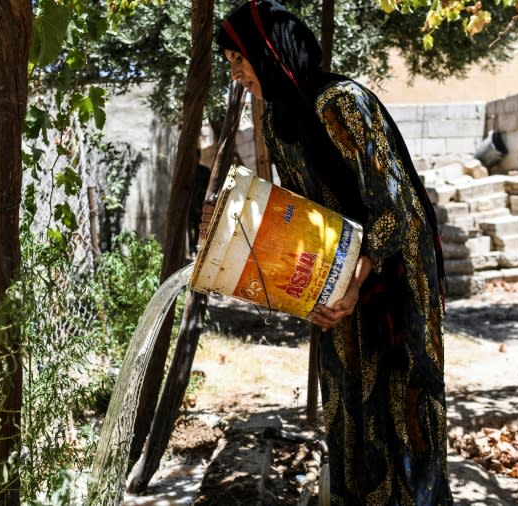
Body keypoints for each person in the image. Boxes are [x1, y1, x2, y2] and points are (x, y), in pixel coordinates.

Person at [213, 1, 453, 504]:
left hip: (396, 275)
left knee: (404, 410)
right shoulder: (279, 120)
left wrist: (357, 279)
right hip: (339, 279)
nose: (235, 75)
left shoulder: (340, 102)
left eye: (240, 60)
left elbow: (395, 206)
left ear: (270, 51)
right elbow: (300, 214)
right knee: (349, 405)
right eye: (230, 63)